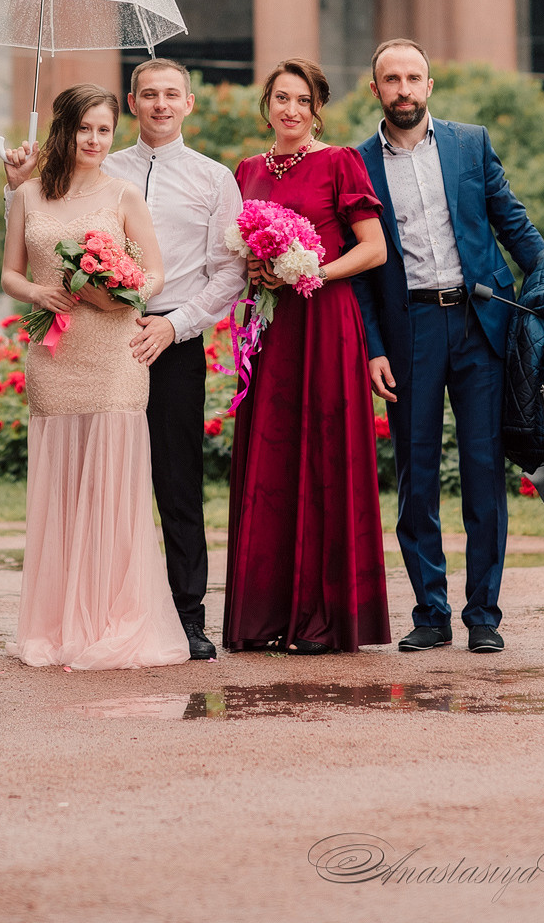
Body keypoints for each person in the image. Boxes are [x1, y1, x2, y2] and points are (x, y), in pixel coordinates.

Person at [4, 58, 243, 661]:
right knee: (93, 485)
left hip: (173, 337)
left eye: (172, 94)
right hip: (95, 339)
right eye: (149, 94)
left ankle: (187, 616)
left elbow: (227, 273)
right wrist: (17, 185)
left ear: (188, 102)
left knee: (177, 484)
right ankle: (90, 608)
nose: (161, 104)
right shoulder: (103, 166)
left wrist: (172, 324)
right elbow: (46, 221)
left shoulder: (214, 178)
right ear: (132, 104)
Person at [353, 38, 544, 656]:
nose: (404, 89)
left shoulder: (470, 144)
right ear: (375, 90)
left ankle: (484, 614)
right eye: (392, 80)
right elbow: (361, 271)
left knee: (483, 471)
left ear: (429, 85)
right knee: (415, 476)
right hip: (409, 328)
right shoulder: (355, 163)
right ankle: (431, 612)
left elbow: (513, 224)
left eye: (413, 78)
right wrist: (373, 346)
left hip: (479, 322)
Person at [224, 58, 392, 655]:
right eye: (281, 98)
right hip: (270, 329)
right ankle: (263, 615)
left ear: (316, 109)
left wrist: (313, 271)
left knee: (323, 454)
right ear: (266, 105)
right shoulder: (247, 170)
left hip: (325, 323)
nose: (290, 110)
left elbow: (373, 249)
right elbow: (237, 248)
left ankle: (324, 617)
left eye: (302, 100)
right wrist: (254, 265)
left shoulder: (340, 162)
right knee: (271, 456)